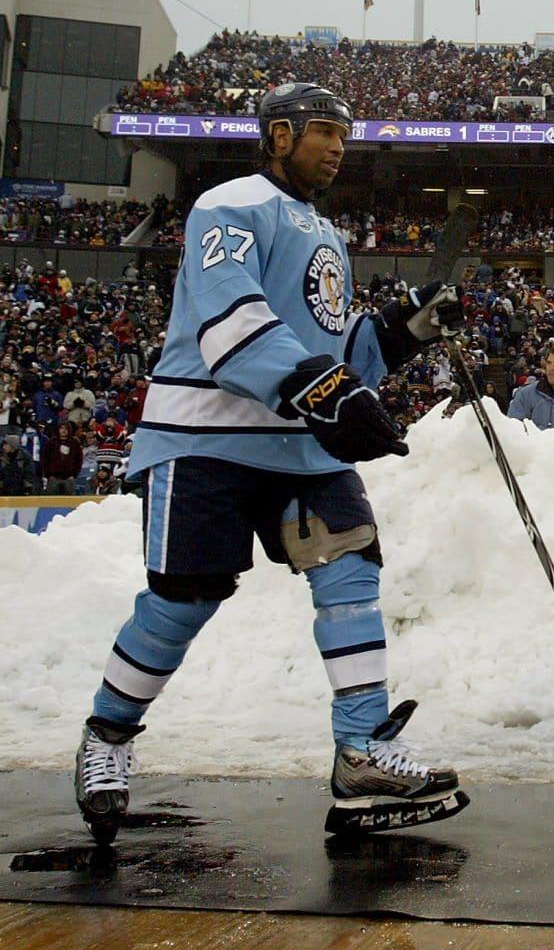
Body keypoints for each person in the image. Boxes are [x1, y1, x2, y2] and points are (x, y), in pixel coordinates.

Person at [71, 82, 469, 845]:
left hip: (295, 442)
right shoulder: (229, 204)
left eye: (344, 133)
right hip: (205, 438)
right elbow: (232, 324)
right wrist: (329, 390)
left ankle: (363, 750)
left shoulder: (325, 231)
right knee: (184, 599)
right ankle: (108, 737)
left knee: (350, 565)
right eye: (323, 130)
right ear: (278, 135)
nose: (338, 146)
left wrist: (403, 330)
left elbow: (334, 348)